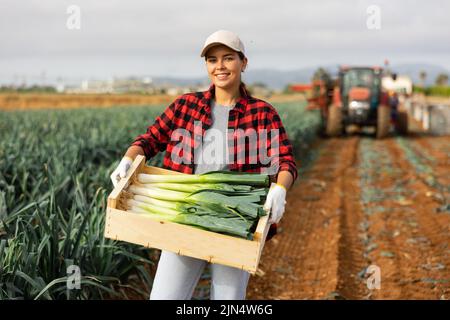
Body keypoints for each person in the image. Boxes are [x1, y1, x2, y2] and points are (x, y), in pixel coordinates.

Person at [110, 30, 298, 300]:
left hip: (236, 223)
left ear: (243, 63)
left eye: (228, 58)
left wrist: (280, 189)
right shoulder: (185, 105)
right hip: (183, 217)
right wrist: (129, 159)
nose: (219, 66)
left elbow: (285, 160)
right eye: (212, 60)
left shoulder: (262, 112)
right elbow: (149, 140)